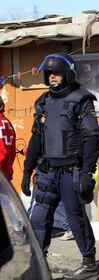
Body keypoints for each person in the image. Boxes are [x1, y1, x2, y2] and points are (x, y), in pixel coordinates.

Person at [20, 53, 99, 280]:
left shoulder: (82, 99)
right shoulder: (43, 102)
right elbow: (36, 138)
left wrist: (87, 173)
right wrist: (27, 171)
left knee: (75, 218)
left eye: (57, 73)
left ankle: (89, 264)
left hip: (71, 170)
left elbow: (92, 138)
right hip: (47, 171)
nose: (53, 77)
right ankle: (38, 263)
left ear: (68, 74)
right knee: (39, 218)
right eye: (50, 74)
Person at [0, 96, 23, 244]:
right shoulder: (7, 122)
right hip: (5, 167)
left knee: (5, 200)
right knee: (5, 200)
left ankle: (17, 230)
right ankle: (17, 230)